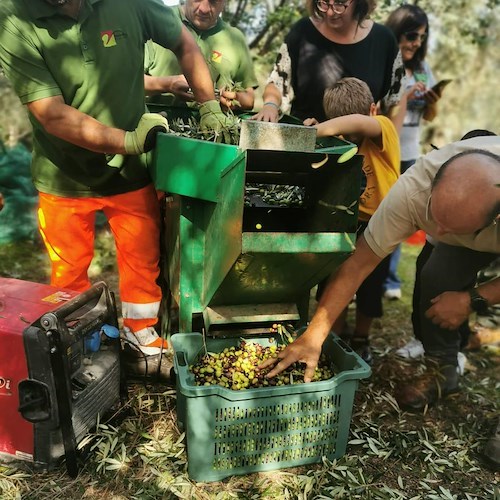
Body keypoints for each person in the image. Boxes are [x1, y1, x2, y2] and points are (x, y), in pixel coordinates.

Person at [0, 0, 231, 363]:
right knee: (69, 272)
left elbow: (185, 43)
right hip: (63, 174)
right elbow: (53, 114)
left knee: (142, 261)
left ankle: (140, 335)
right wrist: (128, 141)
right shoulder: (14, 17)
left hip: (129, 174)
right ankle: (76, 344)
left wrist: (209, 105)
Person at [260, 135, 500, 416]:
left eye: (453, 228)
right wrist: (314, 336)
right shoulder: (413, 190)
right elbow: (358, 264)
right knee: (435, 276)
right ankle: (443, 371)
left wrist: (471, 299)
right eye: (434, 218)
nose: (439, 232)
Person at [304, 77, 401, 363]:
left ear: (374, 109)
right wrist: (322, 134)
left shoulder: (383, 129)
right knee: (335, 280)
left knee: (370, 287)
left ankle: (361, 337)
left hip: (382, 224)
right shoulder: (339, 139)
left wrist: (317, 130)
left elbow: (360, 124)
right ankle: (333, 337)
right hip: (347, 222)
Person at [252, 0, 405, 123]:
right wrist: (270, 105)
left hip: (362, 155)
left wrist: (390, 145)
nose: (331, 12)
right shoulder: (302, 31)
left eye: (340, 3)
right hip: (306, 145)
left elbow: (397, 100)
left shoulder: (384, 40)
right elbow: (277, 82)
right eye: (324, 2)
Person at [383, 4, 444, 301]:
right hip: (383, 150)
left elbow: (430, 116)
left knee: (399, 216)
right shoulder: (383, 61)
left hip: (409, 153)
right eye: (410, 35)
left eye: (421, 37)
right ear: (396, 32)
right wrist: (406, 96)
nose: (415, 43)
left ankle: (389, 279)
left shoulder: (422, 70)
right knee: (374, 214)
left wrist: (430, 99)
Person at [144, 0, 258, 112]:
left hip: (212, 128)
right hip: (155, 123)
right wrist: (167, 84)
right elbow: (128, 82)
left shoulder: (235, 39)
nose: (204, 9)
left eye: (213, 1)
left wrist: (234, 99)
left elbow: (249, 99)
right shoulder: (158, 21)